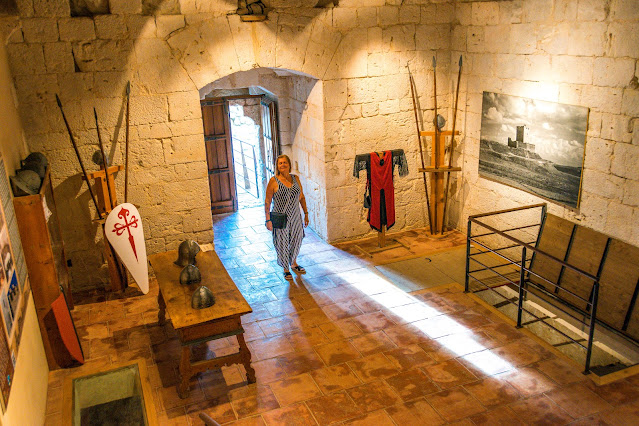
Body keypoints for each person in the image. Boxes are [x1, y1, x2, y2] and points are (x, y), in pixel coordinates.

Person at [264, 154, 309, 281]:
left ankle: (293, 262)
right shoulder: (273, 181)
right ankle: (286, 268)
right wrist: (268, 220)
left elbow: (301, 197)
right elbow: (267, 201)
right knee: (282, 242)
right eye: (280, 163)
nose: (282, 165)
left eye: (285, 162)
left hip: (295, 215)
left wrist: (306, 213)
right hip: (280, 216)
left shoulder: (296, 179)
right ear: (277, 166)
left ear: (289, 164)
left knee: (297, 238)